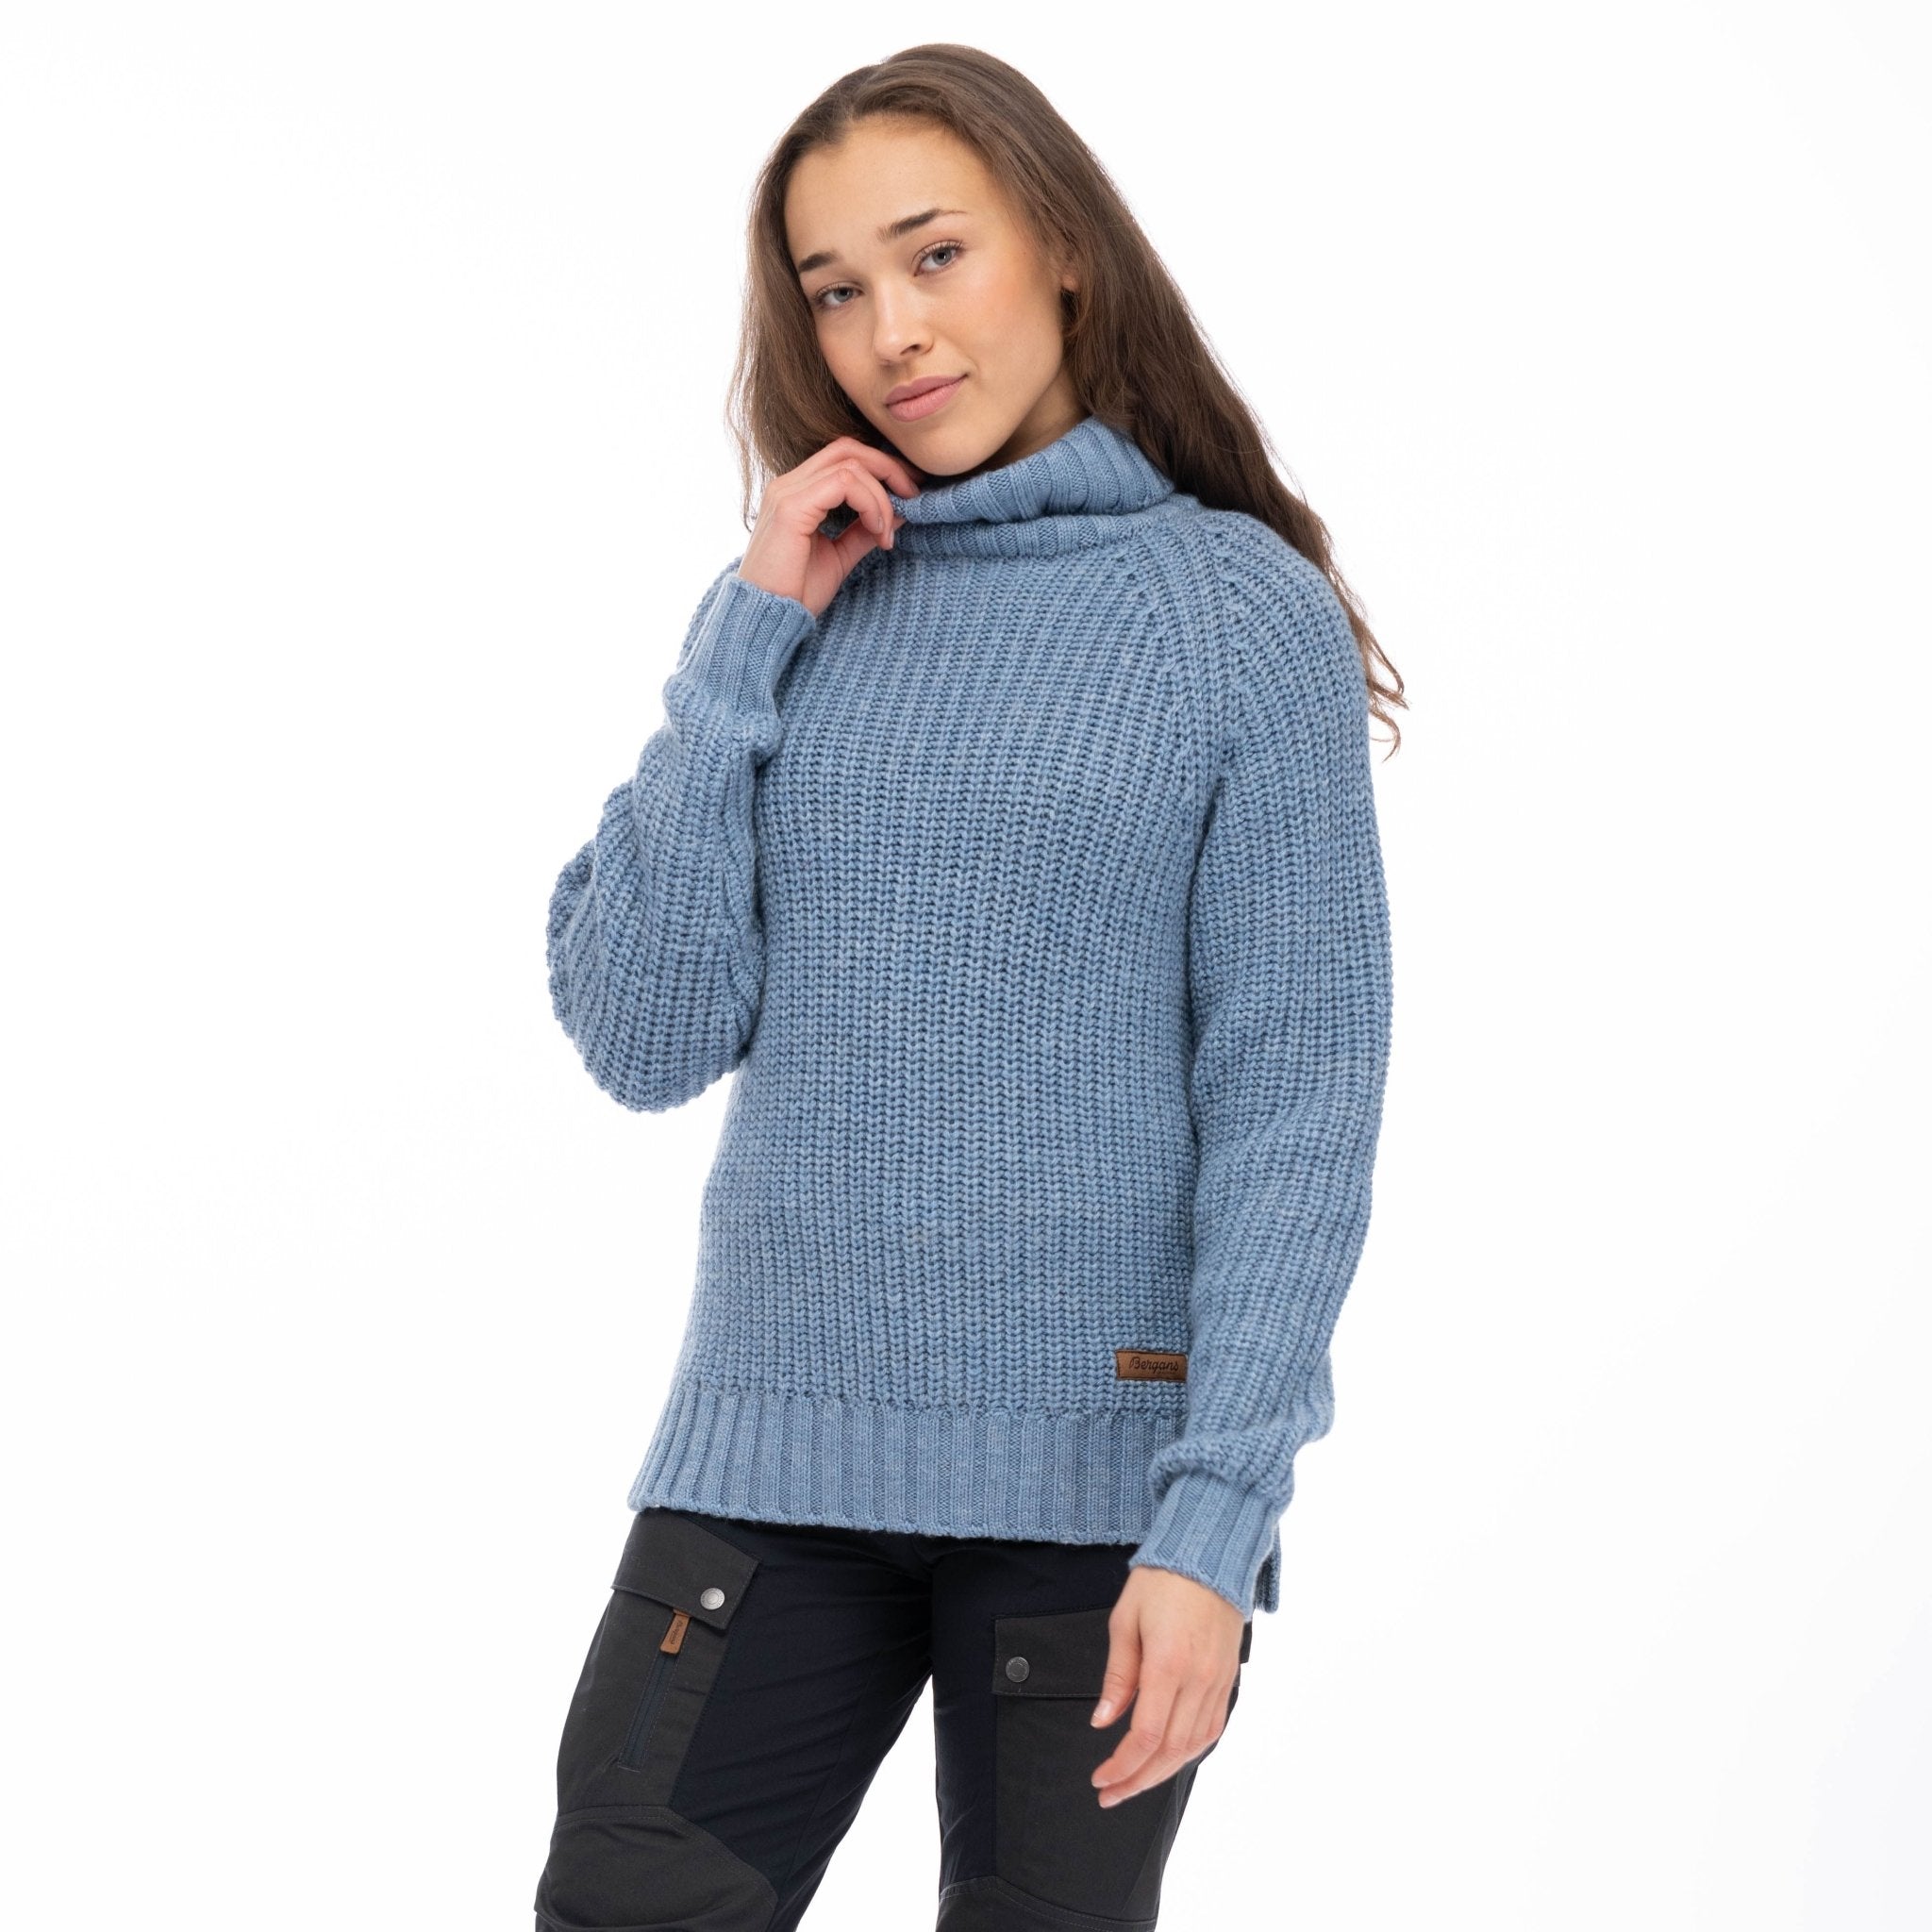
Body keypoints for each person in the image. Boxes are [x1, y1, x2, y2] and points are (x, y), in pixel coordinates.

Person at [532, 42, 1403, 1932]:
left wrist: (1218, 1518)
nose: (891, 332)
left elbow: (1296, 1101)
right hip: (766, 1459)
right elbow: (641, 1033)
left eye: (935, 255)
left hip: (1097, 1505)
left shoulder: (1232, 612)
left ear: (1064, 245)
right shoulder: (800, 603)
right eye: (835, 289)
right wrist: (747, 632)